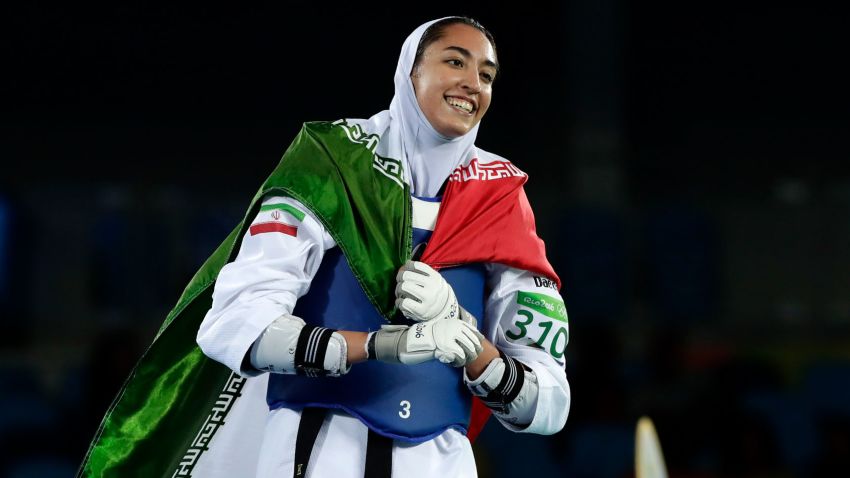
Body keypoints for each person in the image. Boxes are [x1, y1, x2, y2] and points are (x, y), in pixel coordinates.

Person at [193, 16, 570, 478]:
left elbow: (549, 403)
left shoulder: (502, 198)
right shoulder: (332, 161)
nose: (473, 84)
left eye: (487, 75)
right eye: (455, 61)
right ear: (410, 69)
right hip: (314, 448)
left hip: (439, 462)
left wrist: (466, 336)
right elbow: (233, 323)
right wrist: (381, 345)